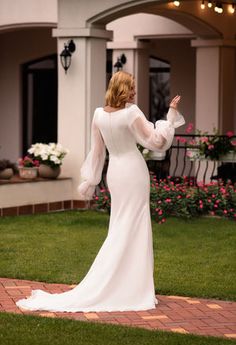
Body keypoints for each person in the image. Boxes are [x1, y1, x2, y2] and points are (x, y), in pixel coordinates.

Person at [16, 71, 185, 313]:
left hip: (115, 172)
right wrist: (170, 116)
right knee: (133, 225)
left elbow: (97, 153)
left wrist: (91, 180)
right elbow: (157, 142)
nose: (135, 92)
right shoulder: (132, 112)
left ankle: (122, 282)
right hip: (133, 172)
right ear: (123, 89)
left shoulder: (98, 114)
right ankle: (132, 288)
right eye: (132, 87)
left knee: (120, 225)